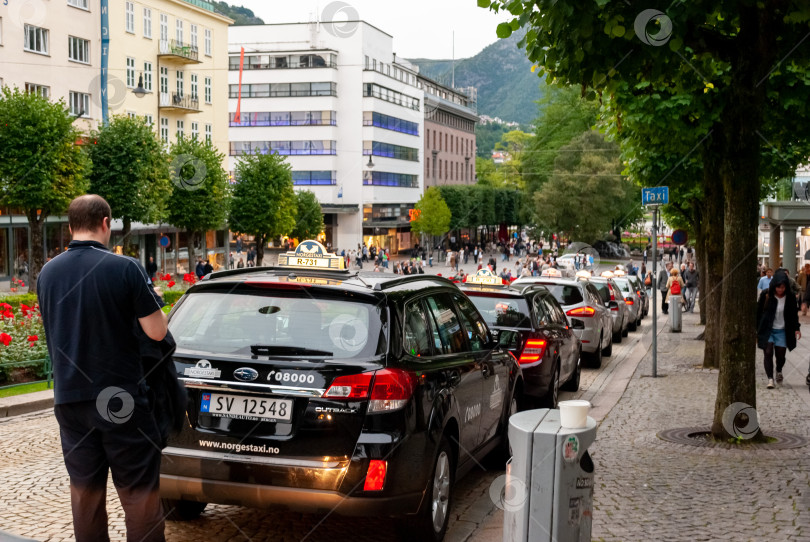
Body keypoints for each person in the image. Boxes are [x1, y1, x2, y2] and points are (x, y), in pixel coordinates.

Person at [37, 195, 168, 542]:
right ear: (106, 223)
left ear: (70, 226)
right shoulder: (125, 268)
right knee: (139, 496)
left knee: (86, 497)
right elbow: (157, 331)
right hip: (119, 398)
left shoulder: (47, 273)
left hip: (69, 400)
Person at [757, 271, 801, 389]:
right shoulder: (766, 295)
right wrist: (756, 329)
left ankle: (779, 369)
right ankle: (770, 379)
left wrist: (797, 328)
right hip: (768, 329)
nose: (780, 290)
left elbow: (793, 314)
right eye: (778, 287)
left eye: (783, 287)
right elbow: (758, 312)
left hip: (782, 330)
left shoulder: (790, 297)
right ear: (774, 285)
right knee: (768, 352)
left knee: (781, 354)